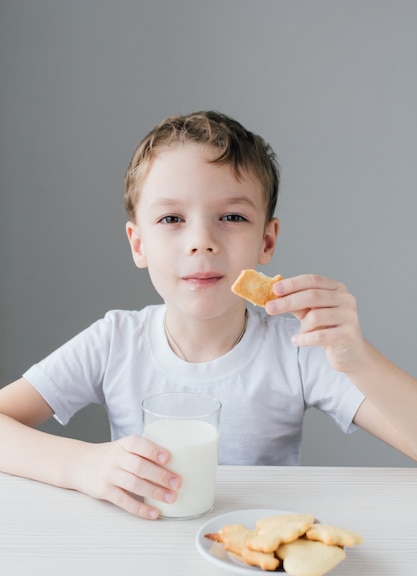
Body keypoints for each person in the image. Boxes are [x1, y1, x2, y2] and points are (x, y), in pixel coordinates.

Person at [0, 111, 416, 520]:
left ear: (266, 241)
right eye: (172, 218)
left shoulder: (298, 349)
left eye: (232, 217)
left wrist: (357, 358)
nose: (202, 241)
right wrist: (80, 465)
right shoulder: (115, 342)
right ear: (138, 243)